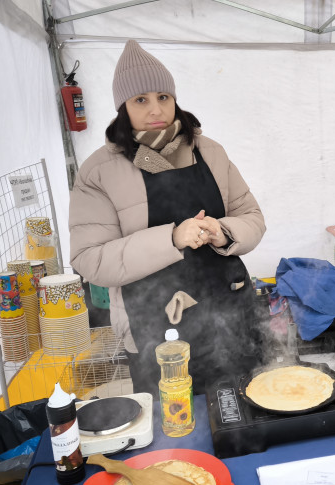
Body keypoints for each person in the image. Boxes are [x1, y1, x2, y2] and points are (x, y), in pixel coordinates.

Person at [69, 40, 267, 396]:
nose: (155, 109)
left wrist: (224, 231)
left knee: (246, 410)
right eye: (140, 100)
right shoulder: (99, 171)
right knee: (173, 423)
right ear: (123, 108)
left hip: (230, 314)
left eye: (163, 97)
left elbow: (252, 217)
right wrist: (171, 239)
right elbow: (90, 259)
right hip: (155, 330)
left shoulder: (210, 152)